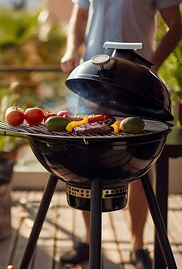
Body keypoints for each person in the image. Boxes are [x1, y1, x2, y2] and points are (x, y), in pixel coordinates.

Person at [59, 1, 182, 269]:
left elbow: (176, 25)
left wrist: (151, 67)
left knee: (139, 162)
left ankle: (137, 245)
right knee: (83, 161)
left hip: (137, 86)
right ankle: (89, 242)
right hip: (92, 80)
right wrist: (71, 51)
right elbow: (79, 19)